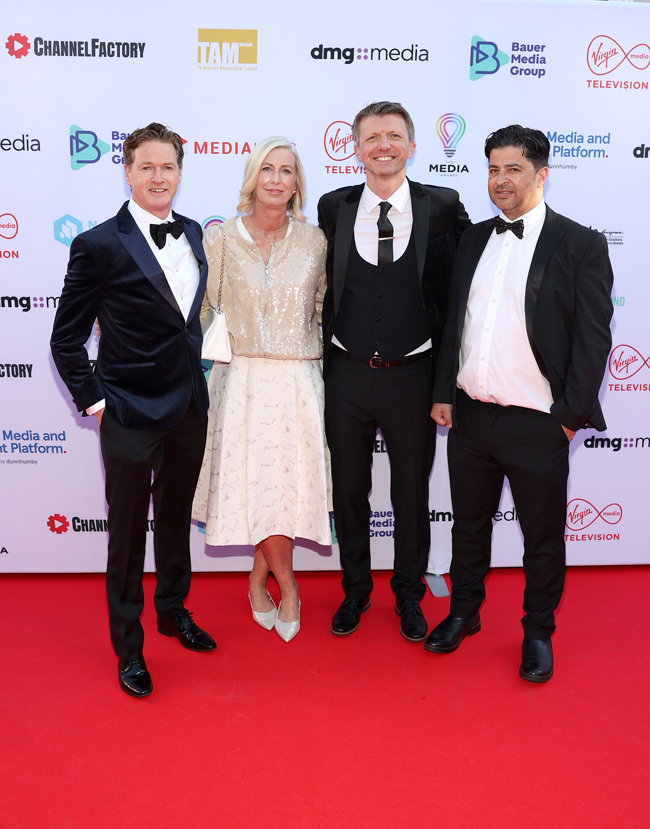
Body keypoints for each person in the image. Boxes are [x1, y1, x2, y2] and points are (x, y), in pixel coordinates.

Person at [426, 125, 614, 682]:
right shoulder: (473, 240)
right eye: (492, 169)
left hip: (539, 423)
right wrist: (443, 394)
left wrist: (567, 420)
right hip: (472, 417)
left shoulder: (581, 244)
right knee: (468, 528)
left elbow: (593, 339)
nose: (500, 180)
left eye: (512, 169)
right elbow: (453, 324)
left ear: (541, 173)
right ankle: (464, 611)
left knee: (541, 537)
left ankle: (538, 630)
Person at [51, 122, 216, 699]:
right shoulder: (97, 244)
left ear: (179, 171)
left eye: (167, 167)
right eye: (145, 166)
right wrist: (96, 400)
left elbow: (187, 321)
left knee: (174, 520)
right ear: (126, 171)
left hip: (188, 409)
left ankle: (173, 611)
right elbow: (65, 339)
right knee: (125, 537)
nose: (157, 176)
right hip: (126, 410)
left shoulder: (195, 232)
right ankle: (130, 647)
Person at [317, 102, 471, 642]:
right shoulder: (332, 206)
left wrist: (445, 383)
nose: (383, 145)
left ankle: (409, 594)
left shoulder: (444, 206)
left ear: (411, 145)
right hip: (346, 374)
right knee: (349, 489)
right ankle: (355, 590)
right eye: (372, 137)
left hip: (414, 374)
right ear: (355, 148)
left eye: (394, 136)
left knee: (410, 494)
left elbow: (460, 300)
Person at [192, 137, 330, 643]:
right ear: (252, 177)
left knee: (284, 490)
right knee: (257, 484)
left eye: (286, 171)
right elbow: (202, 311)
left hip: (298, 380)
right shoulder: (222, 239)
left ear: (297, 184)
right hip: (242, 379)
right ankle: (287, 584)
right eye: (266, 169)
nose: (276, 179)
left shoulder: (316, 241)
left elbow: (323, 308)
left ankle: (258, 576)